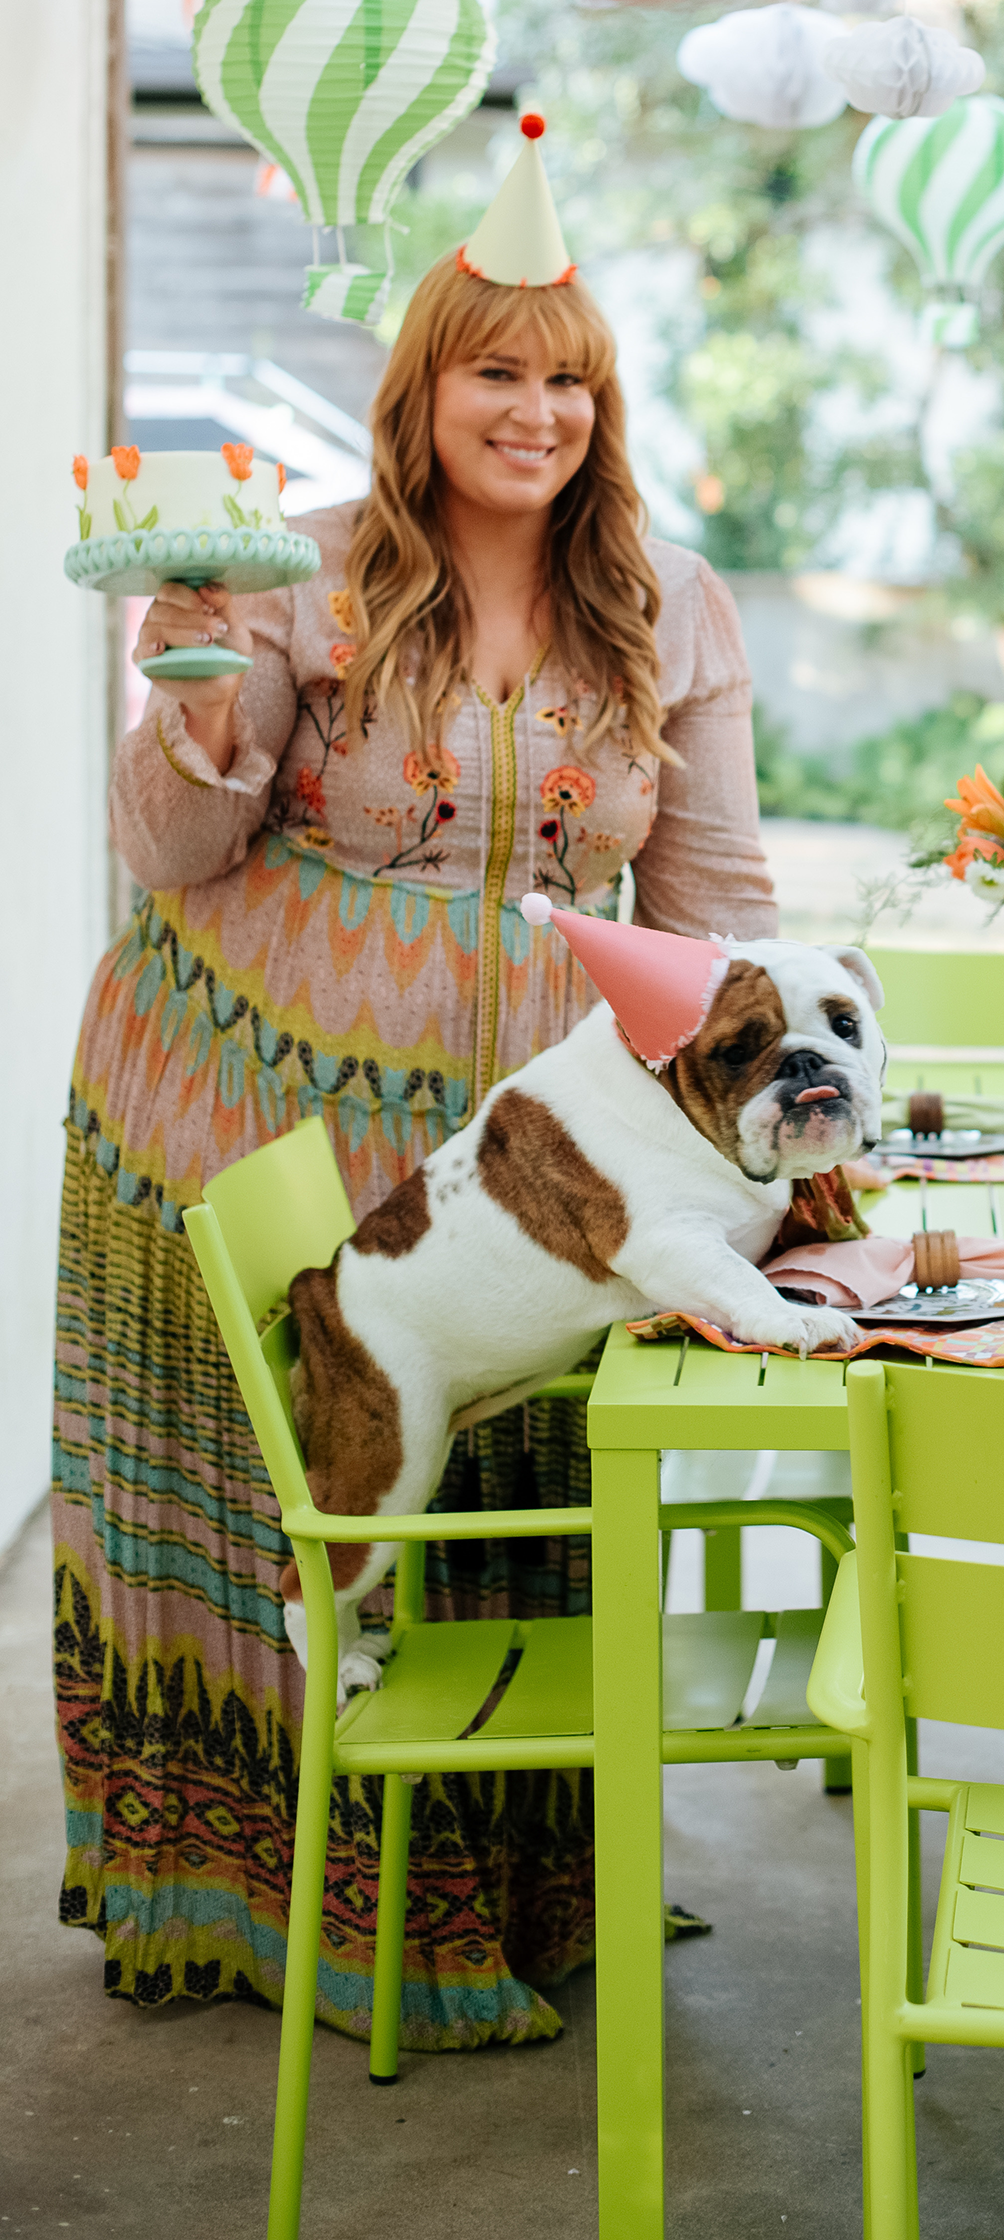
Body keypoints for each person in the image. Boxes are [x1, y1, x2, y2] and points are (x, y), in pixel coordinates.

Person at [54, 231, 777, 2051]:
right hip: (237, 1090)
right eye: (495, 375)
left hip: (519, 1151)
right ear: (423, 392)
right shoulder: (301, 576)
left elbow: (709, 894)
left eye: (568, 380)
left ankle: (518, 1892)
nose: (534, 412)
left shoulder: (671, 601)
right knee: (297, 1499)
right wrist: (189, 705)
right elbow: (172, 851)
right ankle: (258, 1903)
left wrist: (783, 1111)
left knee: (517, 1497)